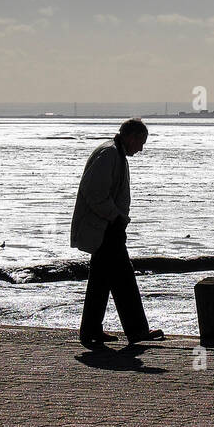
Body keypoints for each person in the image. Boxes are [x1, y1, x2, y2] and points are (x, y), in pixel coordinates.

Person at [71, 118, 163, 348]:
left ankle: (91, 330)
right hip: (106, 227)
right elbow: (93, 193)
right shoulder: (110, 155)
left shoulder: (115, 154)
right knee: (123, 278)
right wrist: (116, 217)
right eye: (141, 142)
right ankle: (136, 330)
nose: (141, 149)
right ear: (131, 137)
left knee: (101, 281)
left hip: (107, 226)